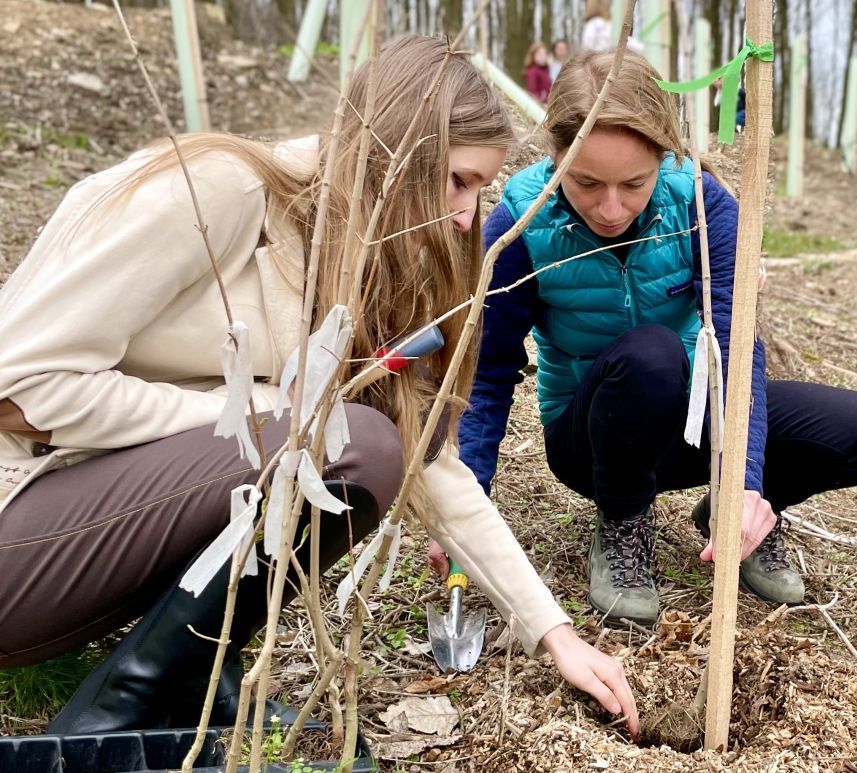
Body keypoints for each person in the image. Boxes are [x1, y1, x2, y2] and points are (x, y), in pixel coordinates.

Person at [0, 36, 638, 737]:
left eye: (480, 188)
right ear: (395, 152)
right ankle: (117, 714)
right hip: (20, 532)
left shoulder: (375, 256)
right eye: (456, 180)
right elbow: (20, 385)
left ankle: (189, 685)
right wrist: (267, 412)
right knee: (346, 442)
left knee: (359, 441)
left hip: (92, 553)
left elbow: (427, 456)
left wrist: (555, 633)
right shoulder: (219, 191)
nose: (467, 215)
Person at [456, 50, 857, 627]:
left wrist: (741, 482)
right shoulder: (522, 223)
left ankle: (738, 514)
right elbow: (489, 373)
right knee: (651, 355)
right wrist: (469, 506)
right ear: (556, 155)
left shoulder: (699, 204)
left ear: (665, 158)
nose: (612, 207)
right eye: (588, 182)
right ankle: (621, 523)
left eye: (635, 183)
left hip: (694, 419)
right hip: (591, 439)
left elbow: (734, 341)